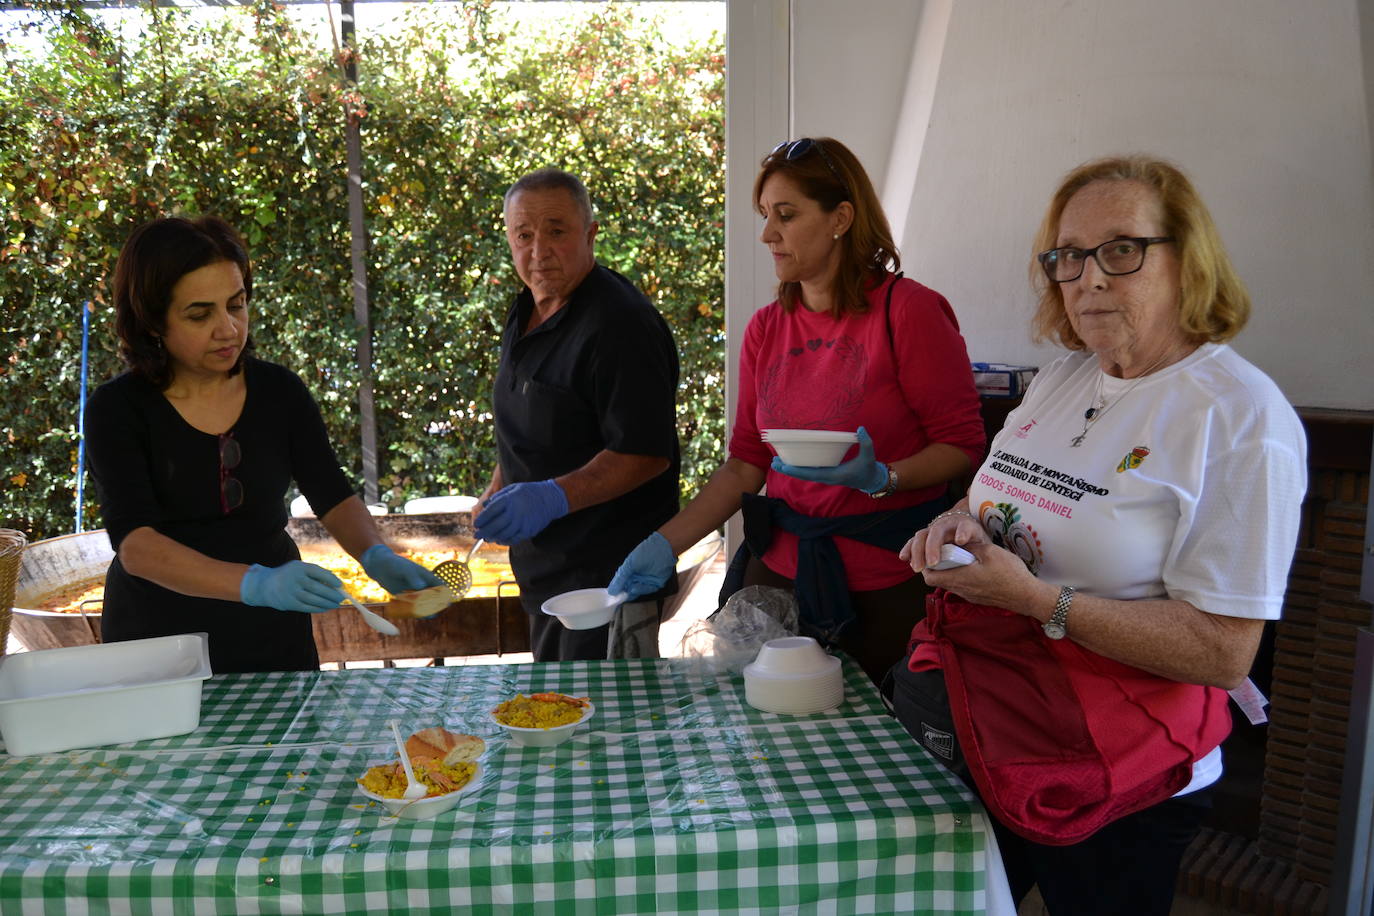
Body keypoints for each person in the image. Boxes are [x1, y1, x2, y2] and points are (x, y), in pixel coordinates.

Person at [893, 155, 1307, 915]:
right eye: (1068, 256)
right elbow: (1003, 502)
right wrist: (958, 524)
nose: (1089, 277)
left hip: (1125, 772)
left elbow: (1224, 651)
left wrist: (1039, 602)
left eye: (1122, 249)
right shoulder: (1064, 378)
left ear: (1188, 260)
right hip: (1004, 725)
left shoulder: (1241, 418)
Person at [609, 137, 985, 684]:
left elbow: (963, 444)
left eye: (785, 215)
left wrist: (884, 478)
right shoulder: (767, 327)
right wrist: (664, 545)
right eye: (765, 216)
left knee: (871, 749)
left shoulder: (909, 311)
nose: (767, 234)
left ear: (841, 218)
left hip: (888, 579)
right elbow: (744, 464)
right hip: (779, 575)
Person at [85, 216, 441, 674]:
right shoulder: (117, 409)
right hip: (159, 641)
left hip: (273, 636)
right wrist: (256, 583)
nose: (228, 328)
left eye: (237, 305)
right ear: (153, 321)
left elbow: (330, 492)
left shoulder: (279, 392)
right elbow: (137, 546)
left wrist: (376, 554)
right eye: (200, 314)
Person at [473, 167, 680, 662]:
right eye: (524, 234)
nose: (539, 250)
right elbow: (533, 416)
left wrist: (551, 497)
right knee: (555, 717)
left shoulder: (620, 324)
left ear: (589, 234)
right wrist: (501, 487)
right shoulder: (528, 308)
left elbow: (647, 453)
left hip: (607, 584)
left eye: (557, 230)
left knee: (606, 728)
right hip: (545, 572)